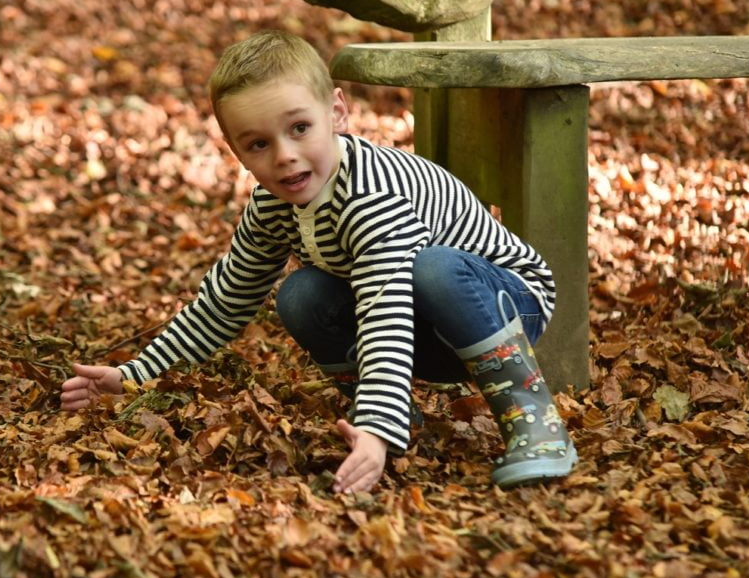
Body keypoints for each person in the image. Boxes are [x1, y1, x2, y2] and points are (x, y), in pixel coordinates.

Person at [60, 30, 577, 493]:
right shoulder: (272, 205)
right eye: (259, 144)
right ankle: (396, 420)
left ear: (337, 113)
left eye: (300, 128)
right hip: (429, 332)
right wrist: (134, 373)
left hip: (508, 306)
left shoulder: (373, 197)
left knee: (433, 268)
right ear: (236, 151)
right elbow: (224, 301)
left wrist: (377, 431)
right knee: (301, 293)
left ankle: (532, 420)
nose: (284, 155)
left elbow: (385, 309)